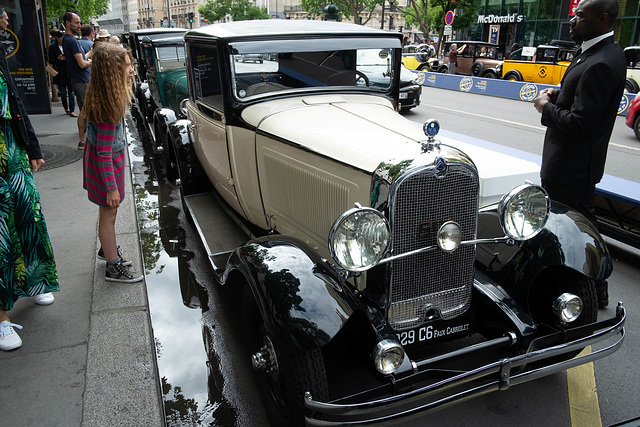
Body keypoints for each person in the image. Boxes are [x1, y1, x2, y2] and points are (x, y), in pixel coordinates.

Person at [533, 0, 625, 308]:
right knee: (580, 224)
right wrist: (560, 96)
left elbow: (582, 124)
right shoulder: (594, 52)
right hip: (570, 165)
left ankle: (592, 288)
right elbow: (582, 101)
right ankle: (594, 288)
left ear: (601, 20)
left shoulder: (602, 61)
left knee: (578, 229)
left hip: (571, 168)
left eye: (580, 16)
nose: (572, 20)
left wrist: (546, 107)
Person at [0, 8, 59, 351]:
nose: (7, 14)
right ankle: (1, 317)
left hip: (12, 149)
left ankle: (34, 280)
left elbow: (16, 101)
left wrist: (32, 145)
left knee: (28, 215)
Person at [81, 42, 142, 283]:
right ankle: (112, 266)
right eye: (127, 66)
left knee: (108, 214)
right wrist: (112, 188)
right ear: (112, 72)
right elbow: (105, 154)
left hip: (102, 170)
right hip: (106, 173)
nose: (132, 70)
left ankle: (108, 248)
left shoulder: (100, 97)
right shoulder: (109, 109)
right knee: (109, 214)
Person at [62, 12, 91, 150]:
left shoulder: (69, 40)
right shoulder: (72, 41)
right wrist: (92, 61)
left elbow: (80, 58)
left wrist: (90, 54)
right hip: (80, 80)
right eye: (77, 23)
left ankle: (84, 139)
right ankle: (82, 140)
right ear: (68, 23)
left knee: (85, 110)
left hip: (79, 79)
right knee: (85, 110)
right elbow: (82, 64)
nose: (80, 25)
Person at [48, 30, 76, 117]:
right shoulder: (52, 48)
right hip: (60, 72)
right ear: (57, 38)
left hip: (69, 71)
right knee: (63, 93)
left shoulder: (67, 46)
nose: (62, 39)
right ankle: (66, 108)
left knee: (71, 93)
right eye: (61, 38)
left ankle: (72, 110)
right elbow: (50, 60)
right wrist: (58, 59)